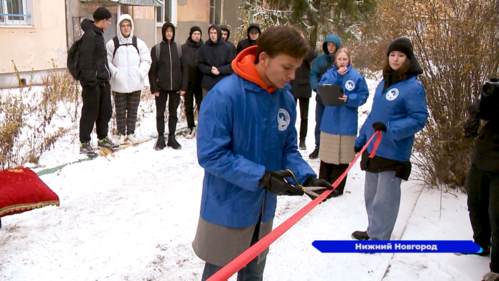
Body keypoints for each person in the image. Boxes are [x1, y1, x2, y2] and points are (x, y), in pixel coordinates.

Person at [193, 26, 332, 280]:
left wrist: (305, 177)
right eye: (287, 67)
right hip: (227, 208)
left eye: (297, 68)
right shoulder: (224, 96)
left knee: (254, 275)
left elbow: (287, 149)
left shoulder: (285, 100)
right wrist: (262, 177)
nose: (292, 75)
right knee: (218, 274)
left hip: (263, 211)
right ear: (264, 58)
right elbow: (211, 155)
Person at [352, 37, 428, 241]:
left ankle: (380, 237)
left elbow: (419, 119)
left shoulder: (413, 87)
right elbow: (373, 115)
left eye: (401, 55)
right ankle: (373, 230)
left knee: (385, 199)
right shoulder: (384, 82)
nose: (395, 59)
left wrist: (390, 128)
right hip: (374, 149)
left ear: (408, 59)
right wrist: (361, 140)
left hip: (393, 149)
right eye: (392, 54)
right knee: (370, 196)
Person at [317, 47, 368, 198]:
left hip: (347, 123)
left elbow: (363, 95)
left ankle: (337, 188)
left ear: (349, 60)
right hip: (330, 122)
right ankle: (322, 185)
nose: (342, 62)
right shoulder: (329, 74)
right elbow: (321, 89)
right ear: (335, 61)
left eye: (345, 59)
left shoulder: (356, 76)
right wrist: (336, 77)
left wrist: (350, 99)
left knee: (342, 157)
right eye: (339, 59)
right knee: (327, 156)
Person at [463, 79, 499, 281]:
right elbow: (483, 109)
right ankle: (481, 243)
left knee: (497, 215)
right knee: (475, 204)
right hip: (483, 158)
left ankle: (497, 268)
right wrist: (476, 113)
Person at [78, 7, 119, 156]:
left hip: (102, 82)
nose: (109, 23)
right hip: (93, 84)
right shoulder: (90, 36)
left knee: (105, 111)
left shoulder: (98, 34)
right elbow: (86, 62)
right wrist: (91, 81)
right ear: (102, 20)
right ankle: (84, 143)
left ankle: (102, 139)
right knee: (90, 112)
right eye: (108, 20)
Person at [106, 14, 151, 145]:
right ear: (119, 27)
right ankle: (121, 134)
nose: (126, 28)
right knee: (120, 110)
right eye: (123, 26)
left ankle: (131, 133)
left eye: (128, 26)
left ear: (131, 27)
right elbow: (107, 61)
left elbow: (146, 60)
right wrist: (115, 73)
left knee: (132, 110)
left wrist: (140, 73)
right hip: (119, 84)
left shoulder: (138, 43)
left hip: (135, 83)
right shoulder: (112, 44)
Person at [148, 22, 187, 150]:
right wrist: (154, 87)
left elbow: (184, 69)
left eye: (171, 31)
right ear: (163, 33)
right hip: (161, 87)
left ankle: (171, 137)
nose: (169, 33)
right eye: (167, 31)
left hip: (176, 87)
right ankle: (160, 137)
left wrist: (183, 87)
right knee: (160, 112)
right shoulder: (157, 49)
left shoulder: (179, 49)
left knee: (173, 112)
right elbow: (152, 71)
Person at [308, 34, 341, 159]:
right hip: (322, 96)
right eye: (329, 45)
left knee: (334, 122)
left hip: (335, 97)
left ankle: (333, 147)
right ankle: (318, 146)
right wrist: (316, 87)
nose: (331, 47)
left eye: (333, 45)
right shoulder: (320, 59)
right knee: (320, 122)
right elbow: (313, 74)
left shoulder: (341, 58)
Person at [290, 31, 317, 151]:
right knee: (291, 115)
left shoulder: (306, 51)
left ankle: (302, 140)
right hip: (292, 85)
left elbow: (313, 55)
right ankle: (292, 138)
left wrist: (303, 43)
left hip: (304, 86)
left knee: (304, 117)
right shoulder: (290, 50)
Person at [197, 24, 234, 97]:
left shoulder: (227, 48)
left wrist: (220, 70)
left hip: (222, 83)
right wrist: (210, 70)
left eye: (215, 33)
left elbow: (231, 65)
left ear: (218, 33)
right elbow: (200, 64)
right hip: (207, 83)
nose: (213, 35)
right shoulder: (204, 47)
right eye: (211, 33)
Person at [181, 26, 204, 139]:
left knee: (201, 106)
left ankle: (202, 127)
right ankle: (191, 126)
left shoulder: (204, 48)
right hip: (188, 82)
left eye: (199, 34)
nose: (197, 36)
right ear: (190, 34)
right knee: (188, 106)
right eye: (195, 34)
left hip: (200, 83)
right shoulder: (184, 48)